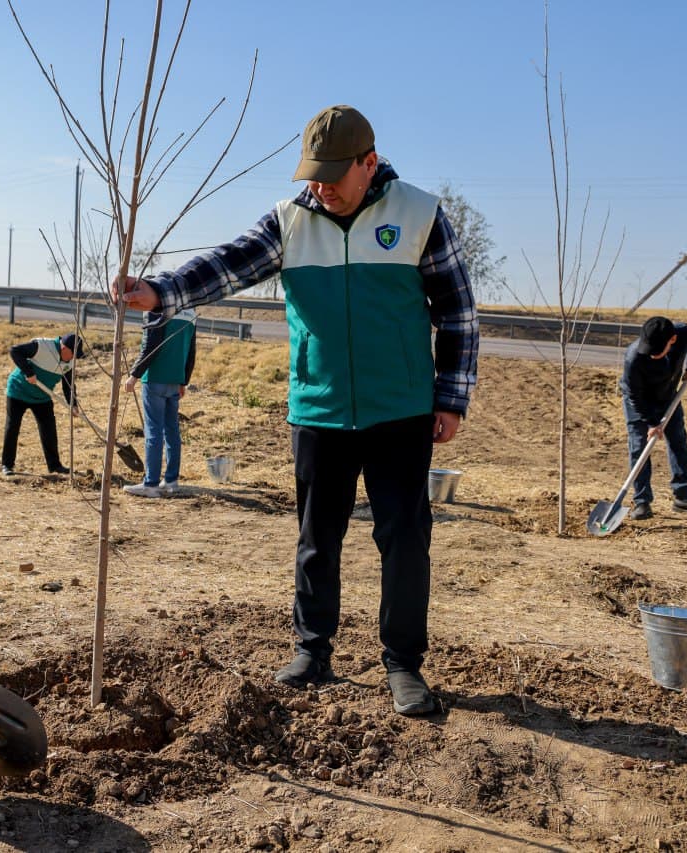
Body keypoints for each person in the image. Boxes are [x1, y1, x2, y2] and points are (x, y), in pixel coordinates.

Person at [112, 105, 479, 716]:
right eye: (313, 174)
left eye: (334, 174)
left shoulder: (419, 215)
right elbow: (228, 262)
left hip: (401, 411)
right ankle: (313, 650)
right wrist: (163, 290)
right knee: (316, 538)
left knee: (405, 539)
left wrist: (450, 398)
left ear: (370, 163)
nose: (321, 186)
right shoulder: (290, 222)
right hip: (319, 410)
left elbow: (458, 312)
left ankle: (402, 664)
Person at [620, 316, 687, 520]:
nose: (651, 354)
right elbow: (634, 395)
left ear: (672, 340)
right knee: (639, 446)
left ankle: (683, 497)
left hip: (668, 395)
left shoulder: (685, 333)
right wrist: (652, 422)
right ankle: (642, 502)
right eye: (648, 349)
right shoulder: (634, 357)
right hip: (639, 400)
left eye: (656, 350)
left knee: (678, 442)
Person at [123, 308, 197, 497]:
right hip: (175, 379)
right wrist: (183, 380)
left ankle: (151, 484)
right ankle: (171, 481)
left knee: (153, 431)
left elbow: (150, 346)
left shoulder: (156, 309)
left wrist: (134, 375)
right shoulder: (190, 312)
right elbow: (191, 350)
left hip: (154, 378)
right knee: (171, 430)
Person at [1, 332, 83, 476]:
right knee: (12, 426)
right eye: (72, 354)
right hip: (18, 391)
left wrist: (73, 404)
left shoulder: (70, 362)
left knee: (49, 430)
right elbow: (15, 351)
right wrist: (29, 372)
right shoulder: (42, 346)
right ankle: (7, 465)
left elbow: (68, 384)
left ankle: (55, 466)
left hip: (42, 397)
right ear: (64, 348)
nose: (73, 358)